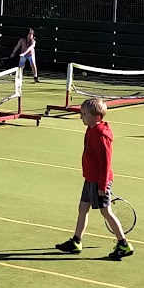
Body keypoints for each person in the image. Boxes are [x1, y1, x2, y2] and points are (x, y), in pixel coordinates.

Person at [56, 98, 132, 259]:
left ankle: (123, 244)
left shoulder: (100, 135)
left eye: (84, 114)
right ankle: (76, 241)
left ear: (96, 117)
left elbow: (106, 162)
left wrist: (102, 186)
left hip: (99, 180)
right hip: (90, 178)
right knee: (83, 208)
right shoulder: (91, 129)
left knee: (106, 211)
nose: (81, 116)